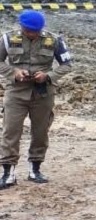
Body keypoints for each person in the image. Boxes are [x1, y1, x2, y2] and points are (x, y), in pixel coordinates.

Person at [0, 11, 72, 188]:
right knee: (11, 131)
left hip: (42, 93)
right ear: (22, 27)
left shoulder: (54, 40)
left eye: (36, 31)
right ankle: (8, 173)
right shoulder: (8, 39)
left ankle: (35, 169)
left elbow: (67, 64)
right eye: (29, 30)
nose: (33, 34)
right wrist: (13, 73)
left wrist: (48, 76)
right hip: (16, 92)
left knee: (40, 132)